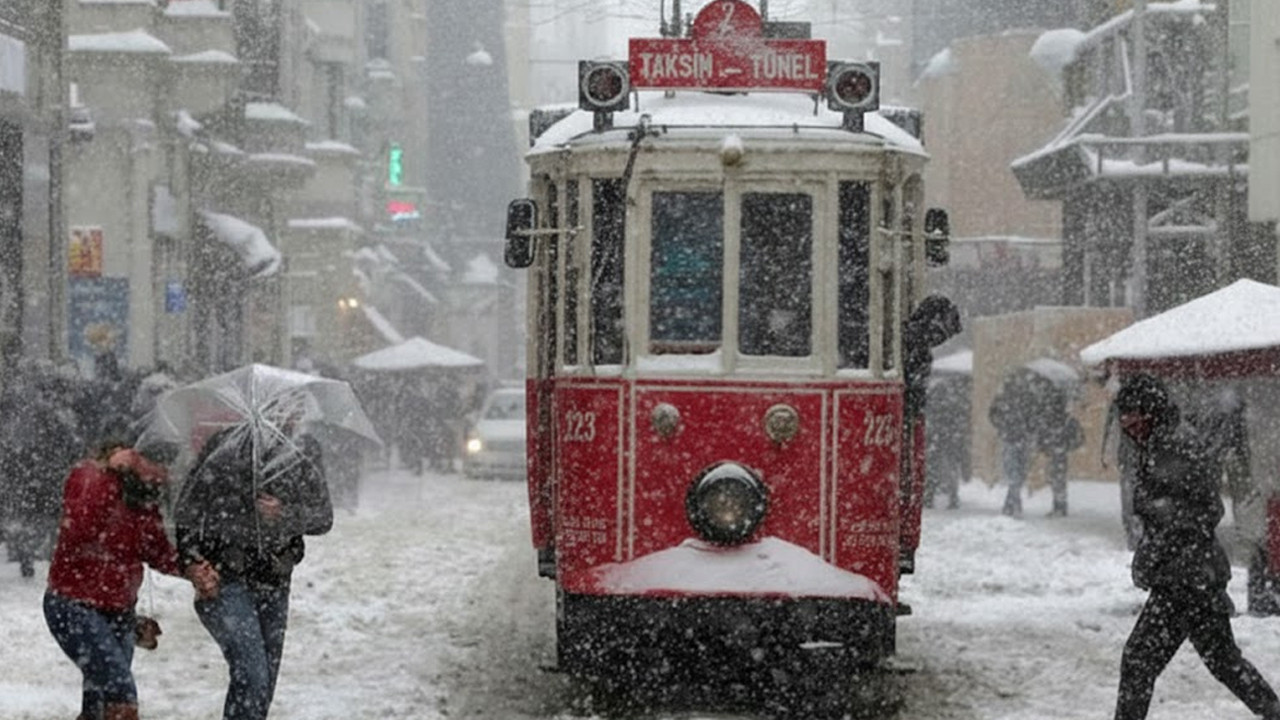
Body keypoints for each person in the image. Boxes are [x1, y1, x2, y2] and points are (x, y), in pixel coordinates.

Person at [1111, 374, 1280, 720]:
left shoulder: (1172, 446)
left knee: (1138, 661)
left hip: (1184, 579)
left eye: (1132, 412)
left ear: (1151, 409)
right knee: (1224, 661)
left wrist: (1152, 555)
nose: (1127, 421)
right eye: (1122, 414)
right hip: (1194, 575)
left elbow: (1192, 512)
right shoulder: (1162, 442)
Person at [175, 399, 333, 720]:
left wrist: (284, 514)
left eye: (294, 408)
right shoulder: (225, 447)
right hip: (227, 578)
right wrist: (192, 560)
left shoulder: (302, 452)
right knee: (251, 672)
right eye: (279, 407)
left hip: (275, 580)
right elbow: (188, 511)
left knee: (264, 684)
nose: (286, 416)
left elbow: (323, 516)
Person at [44, 434, 214, 720]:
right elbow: (79, 528)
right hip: (73, 605)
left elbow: (157, 551)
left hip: (119, 612)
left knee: (99, 698)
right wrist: (112, 477)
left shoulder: (145, 499)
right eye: (158, 467)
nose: (163, 476)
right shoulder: (91, 477)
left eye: (167, 471)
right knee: (121, 695)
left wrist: (190, 569)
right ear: (134, 457)